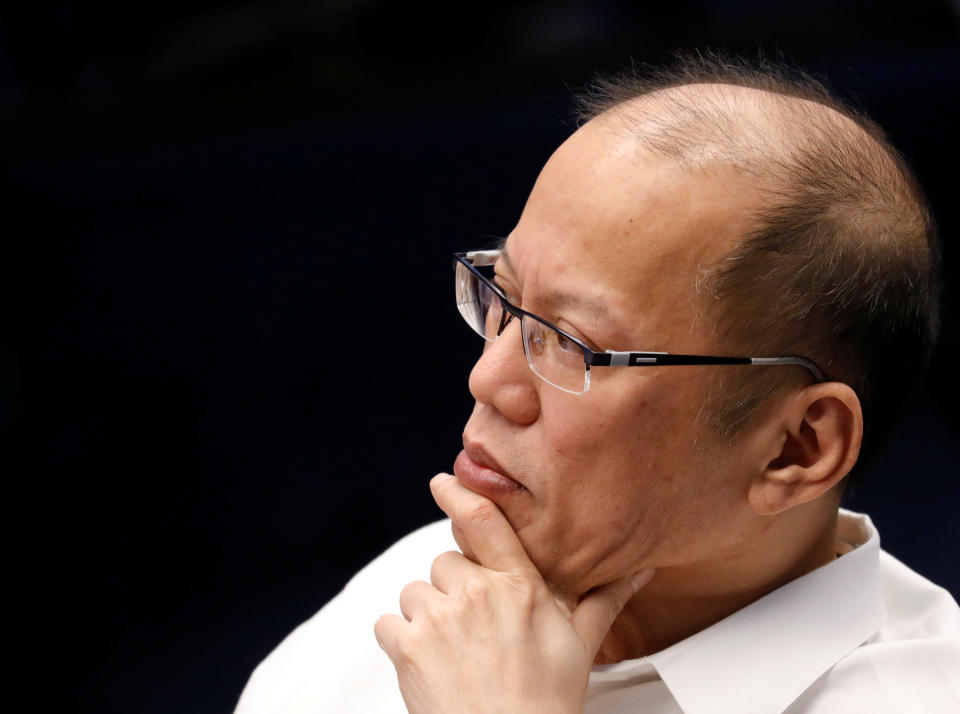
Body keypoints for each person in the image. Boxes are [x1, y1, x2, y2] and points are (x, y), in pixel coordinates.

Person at [234, 56, 960, 714]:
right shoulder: (421, 592)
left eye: (573, 345)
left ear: (794, 449)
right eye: (505, 297)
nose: (489, 380)